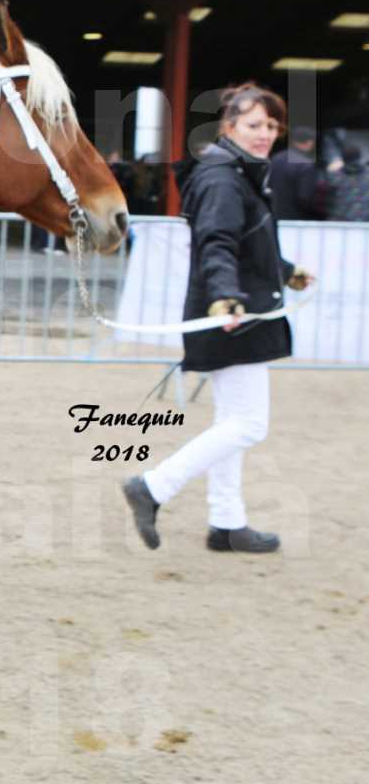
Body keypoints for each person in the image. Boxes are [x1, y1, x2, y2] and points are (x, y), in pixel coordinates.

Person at [121, 83, 316, 554]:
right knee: (249, 425)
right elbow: (217, 243)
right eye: (254, 125)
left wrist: (285, 272)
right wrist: (225, 297)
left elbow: (244, 241)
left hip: (239, 309)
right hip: (233, 313)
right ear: (228, 127)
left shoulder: (236, 173)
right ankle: (153, 486)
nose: (265, 133)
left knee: (235, 421)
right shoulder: (223, 178)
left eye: (271, 125)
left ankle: (226, 523)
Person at [268, 124, 328, 221]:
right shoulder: (306, 165)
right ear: (310, 142)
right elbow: (304, 198)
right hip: (295, 221)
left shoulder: (275, 158)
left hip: (273, 217)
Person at [322, 142, 369, 222]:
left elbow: (323, 200)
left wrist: (330, 169)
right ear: (359, 157)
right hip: (365, 224)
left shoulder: (333, 177)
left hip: (340, 224)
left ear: (342, 159)